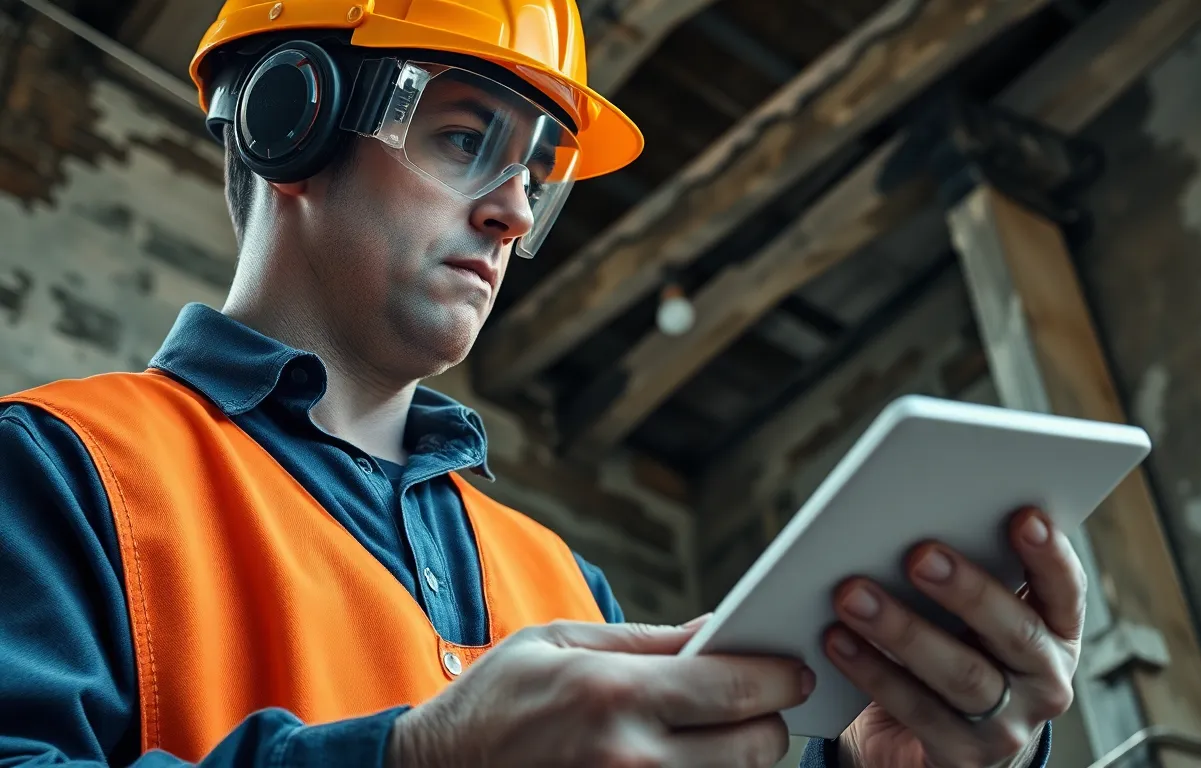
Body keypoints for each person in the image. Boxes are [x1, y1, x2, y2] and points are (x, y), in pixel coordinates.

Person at [0, 1, 1084, 766]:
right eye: (467, 139)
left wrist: (876, 763)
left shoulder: (562, 584)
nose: (515, 214)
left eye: (532, 174)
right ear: (292, 117)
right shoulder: (61, 472)